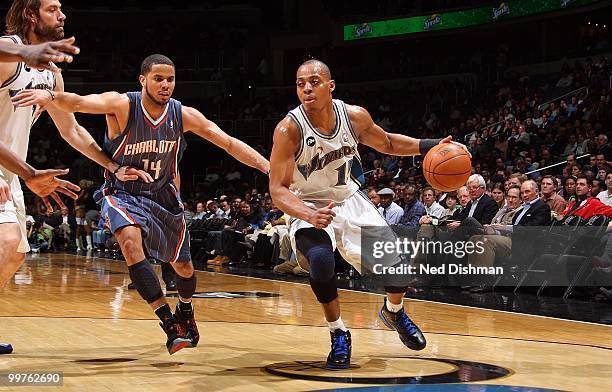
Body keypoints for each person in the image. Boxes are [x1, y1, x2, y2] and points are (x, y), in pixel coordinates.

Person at [13, 53, 270, 354]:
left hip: (163, 197)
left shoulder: (183, 115)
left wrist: (269, 168)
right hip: (122, 192)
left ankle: (185, 310)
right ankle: (168, 322)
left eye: (170, 79)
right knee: (130, 243)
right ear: (143, 79)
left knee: (184, 268)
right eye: (158, 78)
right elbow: (81, 103)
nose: (165, 85)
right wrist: (51, 95)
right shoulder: (123, 105)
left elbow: (227, 142)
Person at [269, 59, 466, 369]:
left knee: (399, 271)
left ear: (330, 86)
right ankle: (339, 333)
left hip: (350, 200)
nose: (306, 87)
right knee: (320, 261)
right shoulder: (288, 129)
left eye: (314, 81)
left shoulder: (354, 116)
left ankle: (394, 311)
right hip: (308, 204)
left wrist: (428, 146)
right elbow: (278, 190)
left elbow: (386, 142)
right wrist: (307, 214)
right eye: (300, 83)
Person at [0, 0, 146, 355]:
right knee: (5, 242)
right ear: (31, 15)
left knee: (16, 251)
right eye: (53, 9)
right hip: (12, 168)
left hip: (12, 169)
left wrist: (113, 166)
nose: (62, 16)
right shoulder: (9, 52)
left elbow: (72, 131)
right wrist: (30, 172)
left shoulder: (51, 76)